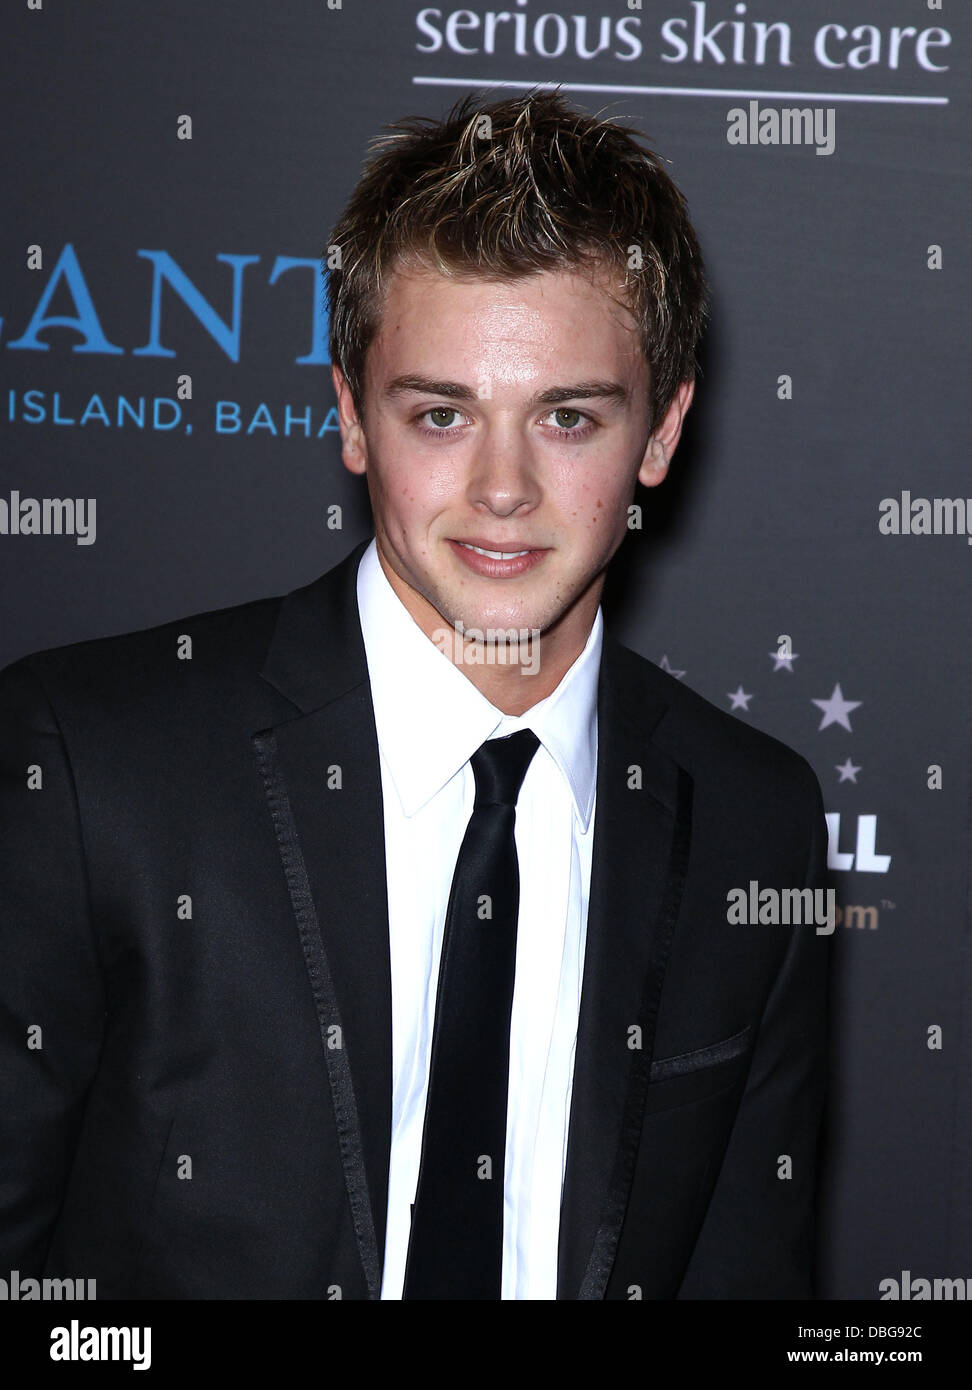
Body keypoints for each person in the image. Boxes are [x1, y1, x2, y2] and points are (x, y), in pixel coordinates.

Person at [0, 88, 831, 1300]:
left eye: (566, 417)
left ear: (660, 434)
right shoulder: (91, 766)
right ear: (350, 416)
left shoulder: (755, 818)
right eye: (441, 413)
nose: (502, 488)